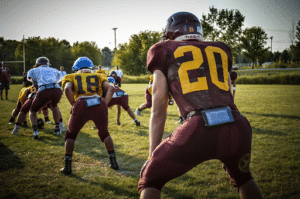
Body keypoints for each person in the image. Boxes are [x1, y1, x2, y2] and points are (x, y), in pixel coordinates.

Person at [138, 12, 262, 199]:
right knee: (243, 178)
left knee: (150, 181)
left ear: (170, 33)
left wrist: (152, 155)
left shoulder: (163, 49)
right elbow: (229, 93)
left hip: (197, 127)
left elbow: (158, 109)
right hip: (237, 124)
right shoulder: (221, 49)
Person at [60, 56, 119, 175]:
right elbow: (111, 88)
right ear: (90, 67)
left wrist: (74, 105)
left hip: (81, 103)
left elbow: (67, 89)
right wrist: (104, 104)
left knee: (70, 135)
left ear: (76, 68)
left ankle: (68, 166)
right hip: (98, 102)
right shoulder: (99, 75)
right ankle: (114, 162)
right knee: (104, 133)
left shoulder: (71, 76)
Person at [27, 57, 62, 139]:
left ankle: (35, 132)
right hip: (57, 89)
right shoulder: (54, 69)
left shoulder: (33, 70)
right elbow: (59, 79)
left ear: (38, 64)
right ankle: (57, 128)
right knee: (54, 106)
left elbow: (31, 80)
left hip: (44, 90)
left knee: (32, 111)